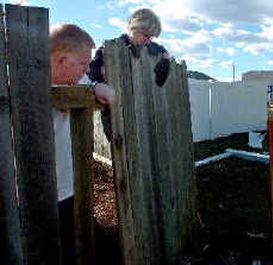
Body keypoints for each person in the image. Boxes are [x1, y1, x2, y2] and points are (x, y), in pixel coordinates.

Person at [50, 23, 115, 265]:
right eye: (82, 63)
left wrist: (97, 86)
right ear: (61, 60)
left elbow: (94, 84)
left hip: (71, 189)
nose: (87, 70)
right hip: (41, 195)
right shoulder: (22, 85)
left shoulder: (75, 80)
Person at [89, 7, 170, 141]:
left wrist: (165, 59)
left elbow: (162, 51)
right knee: (121, 149)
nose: (148, 40)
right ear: (134, 28)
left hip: (139, 111)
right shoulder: (109, 49)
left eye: (151, 37)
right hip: (115, 114)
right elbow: (91, 76)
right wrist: (100, 77)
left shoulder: (149, 47)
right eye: (146, 35)